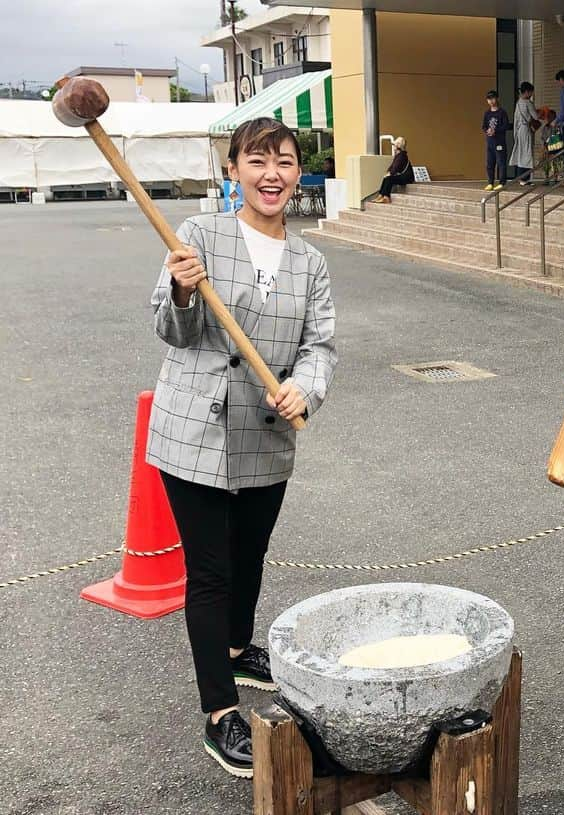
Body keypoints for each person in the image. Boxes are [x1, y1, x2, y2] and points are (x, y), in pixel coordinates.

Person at [148, 116, 337, 779]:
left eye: (284, 161)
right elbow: (172, 330)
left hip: (265, 430)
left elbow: (320, 346)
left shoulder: (311, 261)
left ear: (296, 174)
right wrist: (180, 287)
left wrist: (303, 391)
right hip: (193, 428)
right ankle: (219, 712)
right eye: (257, 161)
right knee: (210, 570)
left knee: (249, 552)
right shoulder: (199, 236)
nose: (272, 174)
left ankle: (234, 646)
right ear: (233, 171)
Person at [508, 81, 541, 186]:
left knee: (521, 153)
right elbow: (536, 116)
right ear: (527, 92)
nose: (531, 94)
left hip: (519, 130)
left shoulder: (518, 103)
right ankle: (524, 179)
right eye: (531, 92)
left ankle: (520, 178)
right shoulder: (528, 103)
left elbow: (516, 119)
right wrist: (541, 112)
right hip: (526, 130)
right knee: (527, 154)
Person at [482, 90, 510, 191]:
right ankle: (490, 182)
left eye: (493, 98)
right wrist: (487, 130)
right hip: (490, 142)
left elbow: (506, 126)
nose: (491, 101)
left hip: (499, 142)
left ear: (497, 98)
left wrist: (495, 130)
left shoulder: (502, 112)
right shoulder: (487, 113)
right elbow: (484, 126)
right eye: (489, 99)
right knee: (490, 163)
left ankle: (502, 182)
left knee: (501, 162)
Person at [375, 136, 413, 203]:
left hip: (407, 178)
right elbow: (392, 166)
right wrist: (388, 172)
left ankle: (386, 198)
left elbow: (396, 168)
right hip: (403, 176)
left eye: (394, 145)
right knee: (386, 178)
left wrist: (390, 174)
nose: (393, 147)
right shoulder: (398, 155)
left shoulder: (402, 156)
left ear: (398, 146)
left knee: (389, 178)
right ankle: (381, 195)